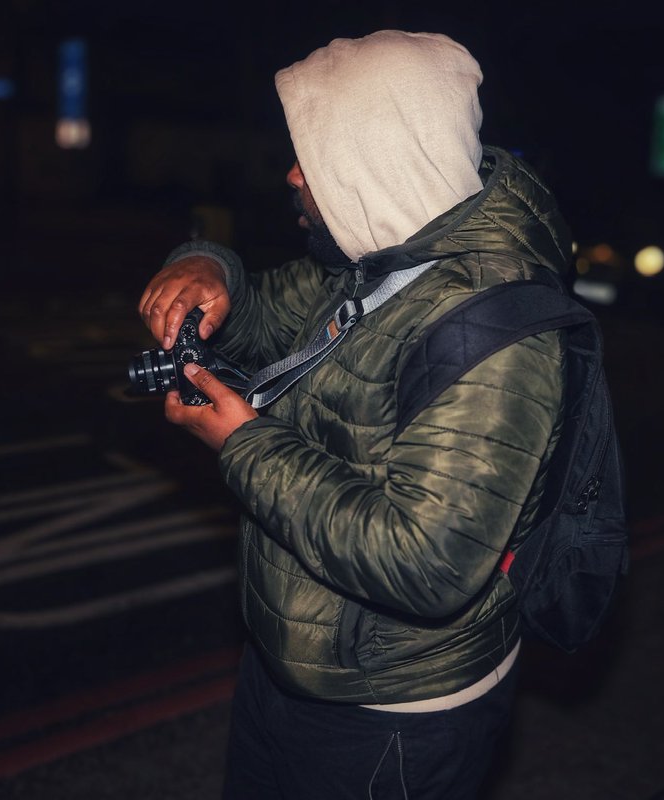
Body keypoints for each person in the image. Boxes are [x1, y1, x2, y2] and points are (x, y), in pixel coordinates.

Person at [138, 29, 574, 799]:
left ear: (377, 164)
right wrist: (209, 267)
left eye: (315, 152)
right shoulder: (383, 254)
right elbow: (262, 315)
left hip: (392, 710)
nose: (293, 173)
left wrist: (243, 443)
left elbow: (425, 563)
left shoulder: (495, 329)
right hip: (295, 666)